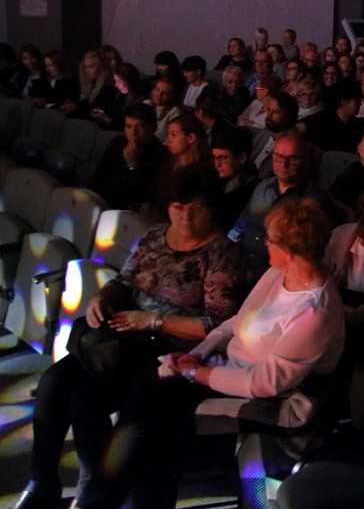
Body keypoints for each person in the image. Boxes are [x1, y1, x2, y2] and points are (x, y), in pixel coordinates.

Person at [72, 199, 344, 509]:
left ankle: (96, 502)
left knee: (150, 413)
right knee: (144, 413)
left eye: (269, 239)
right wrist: (197, 355)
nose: (264, 243)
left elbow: (264, 382)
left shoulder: (314, 312)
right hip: (229, 369)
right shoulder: (277, 273)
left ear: (290, 251)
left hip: (270, 397)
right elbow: (235, 323)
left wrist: (192, 372)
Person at [12, 167, 245, 509]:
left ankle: (97, 493)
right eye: (178, 208)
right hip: (127, 341)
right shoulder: (156, 235)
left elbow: (217, 326)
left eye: (195, 210)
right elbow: (124, 281)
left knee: (87, 400)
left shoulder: (222, 254)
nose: (185, 217)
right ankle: (42, 483)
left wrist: (154, 321)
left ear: (211, 210)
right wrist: (102, 297)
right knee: (53, 384)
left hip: (173, 353)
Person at [230, 135, 336, 278]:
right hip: (241, 263)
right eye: (279, 157)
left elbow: (301, 250)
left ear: (306, 162)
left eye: (293, 159)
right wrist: (229, 252)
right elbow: (242, 223)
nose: (284, 164)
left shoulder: (313, 199)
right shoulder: (263, 186)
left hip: (275, 273)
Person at [88, 103, 168, 211]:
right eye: (129, 126)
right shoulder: (117, 143)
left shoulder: (161, 155)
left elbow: (146, 195)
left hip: (128, 211)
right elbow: (99, 175)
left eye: (140, 127)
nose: (133, 132)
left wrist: (134, 166)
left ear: (153, 128)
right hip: (102, 202)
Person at [211, 126, 259, 233]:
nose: (217, 164)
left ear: (242, 158)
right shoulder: (217, 181)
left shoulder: (254, 191)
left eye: (224, 158)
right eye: (215, 157)